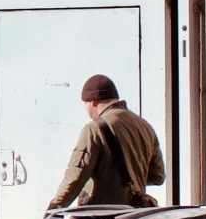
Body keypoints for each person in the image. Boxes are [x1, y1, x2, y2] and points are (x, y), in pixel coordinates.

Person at [46, 74, 167, 209]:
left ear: (93, 102)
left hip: (102, 217)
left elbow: (76, 176)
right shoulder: (144, 126)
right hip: (133, 217)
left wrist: (54, 207)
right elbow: (158, 176)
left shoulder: (93, 129)